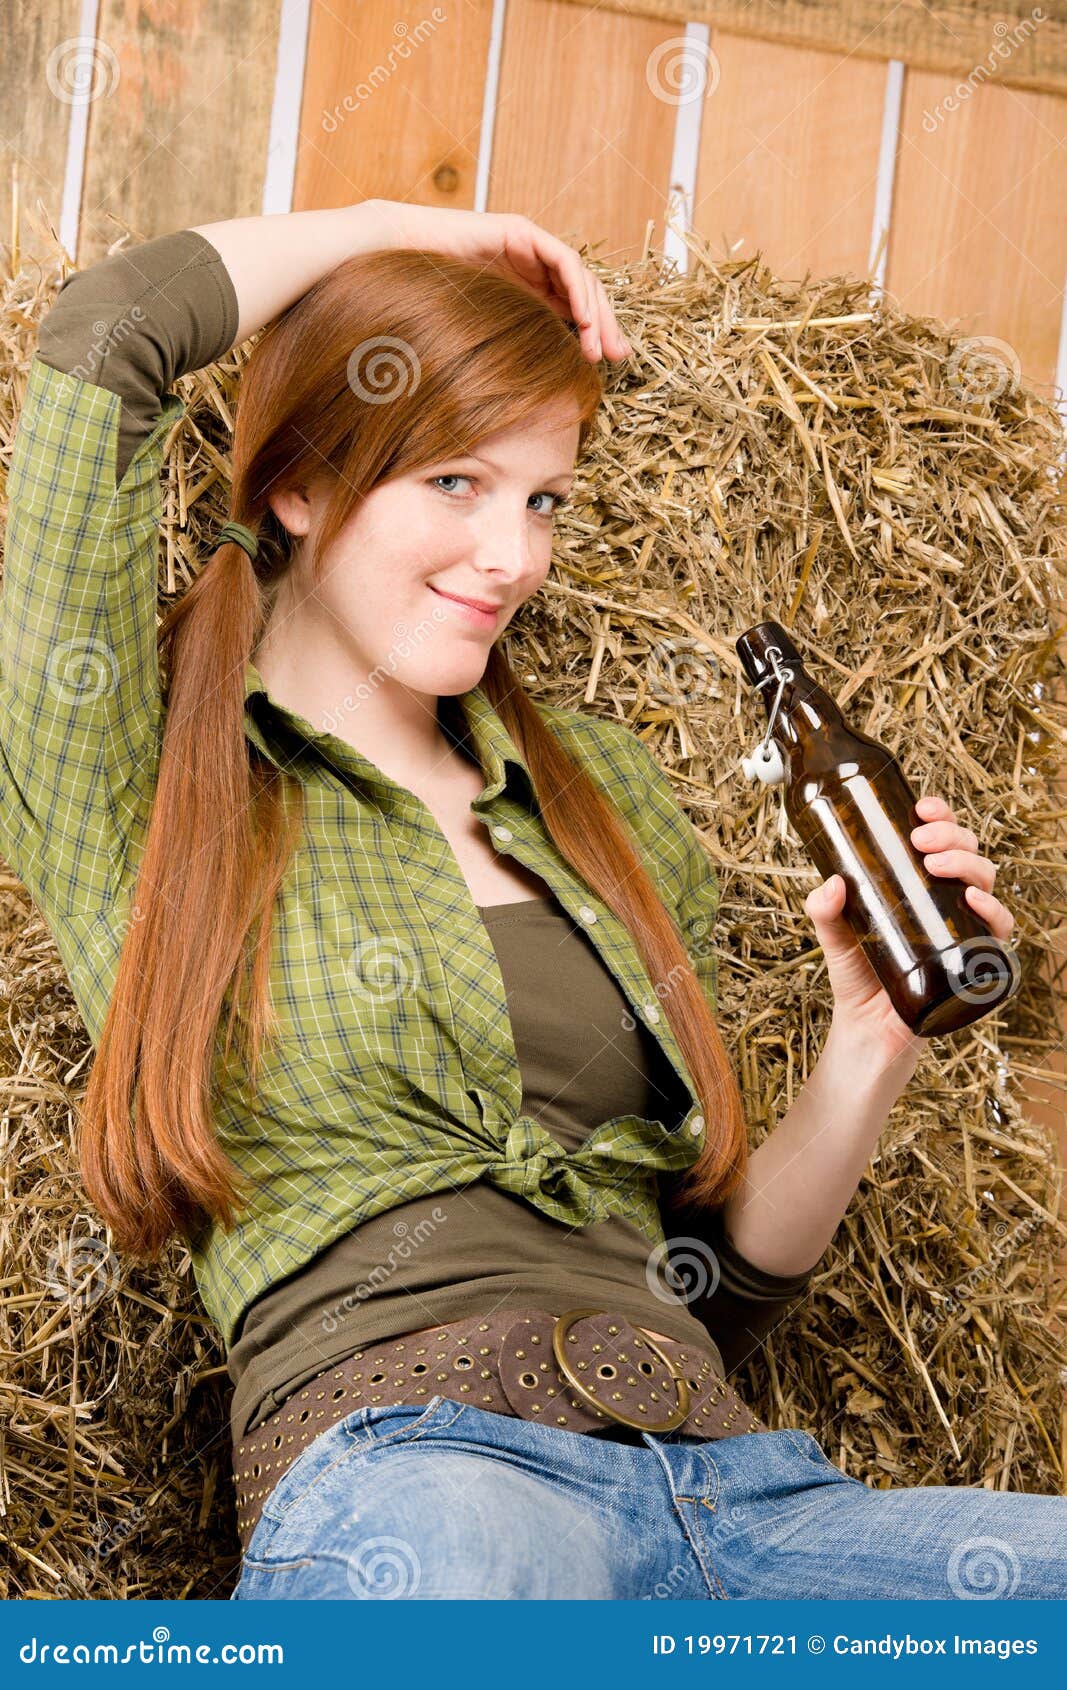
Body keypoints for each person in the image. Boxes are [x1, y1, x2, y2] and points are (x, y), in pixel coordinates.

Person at [1, 200, 1063, 1602]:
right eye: (453, 482)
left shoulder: (601, 801)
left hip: (739, 1492)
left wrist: (869, 1041)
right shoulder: (151, 791)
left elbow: (719, 1287)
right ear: (301, 480)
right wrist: (420, 227)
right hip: (422, 1479)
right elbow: (106, 340)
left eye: (542, 498)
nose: (511, 555)